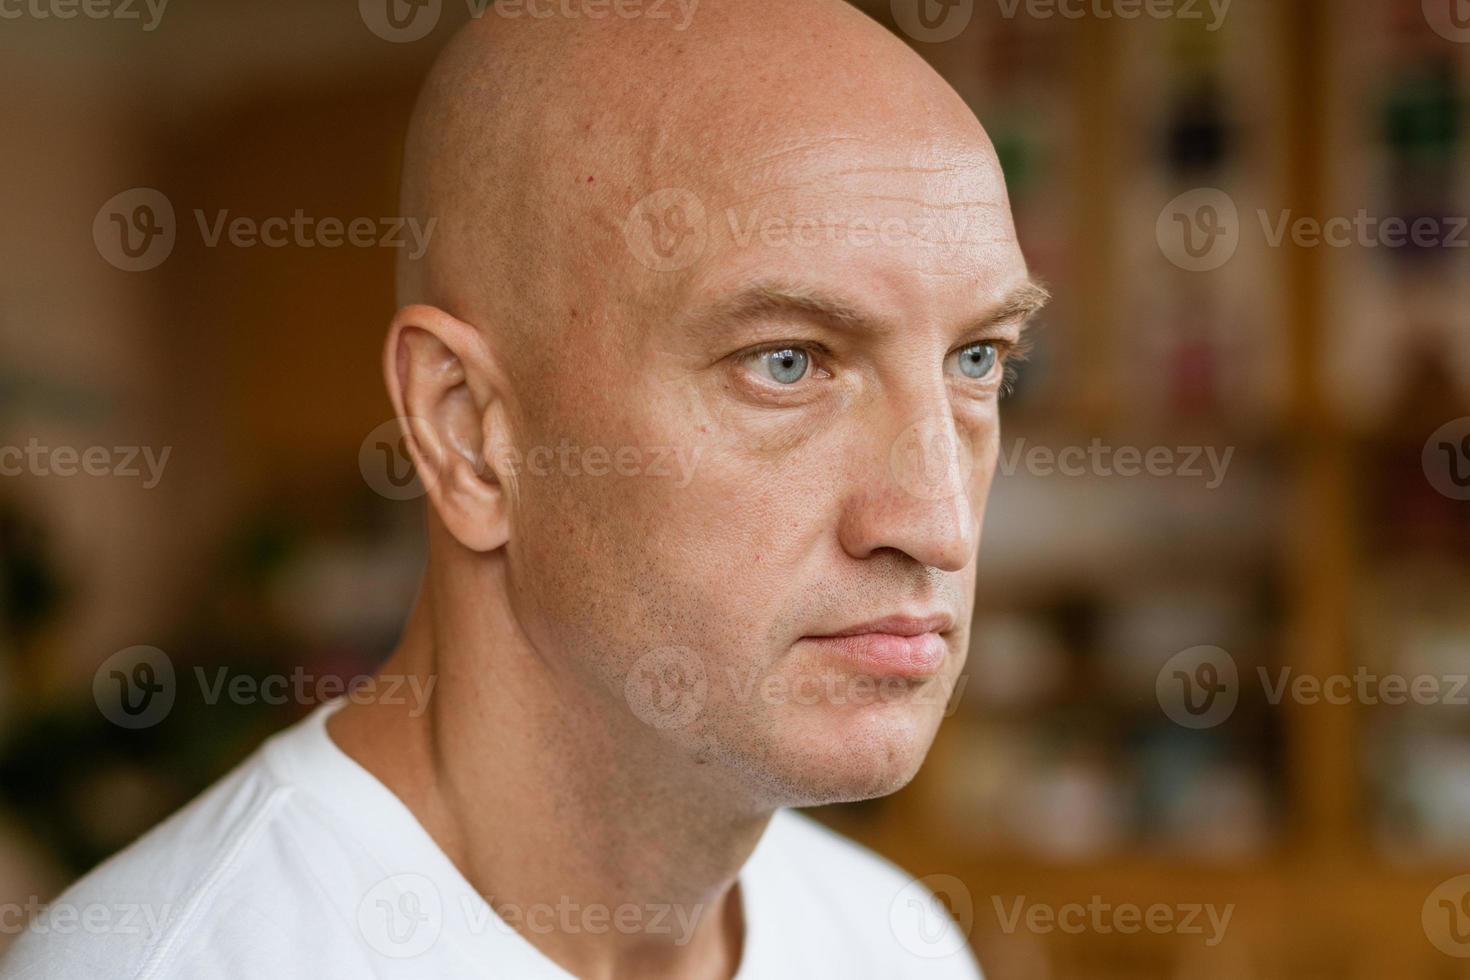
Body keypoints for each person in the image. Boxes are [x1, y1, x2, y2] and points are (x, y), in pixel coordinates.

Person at [6, 0, 1045, 976]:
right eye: (786, 361)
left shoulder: (894, 941)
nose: (938, 522)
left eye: (978, 360)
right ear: (466, 432)